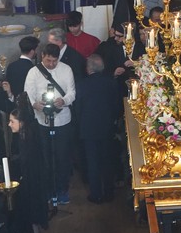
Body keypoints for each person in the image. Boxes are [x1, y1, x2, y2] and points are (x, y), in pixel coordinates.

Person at [24, 43, 76, 205]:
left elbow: (72, 92)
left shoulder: (66, 69)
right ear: (42, 56)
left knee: (62, 157)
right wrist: (35, 104)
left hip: (63, 120)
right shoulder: (33, 72)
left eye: (55, 61)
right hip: (42, 121)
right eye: (48, 61)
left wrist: (63, 100)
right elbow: (28, 94)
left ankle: (62, 189)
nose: (52, 64)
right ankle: (48, 190)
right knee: (45, 157)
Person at [7, 104, 49, 233]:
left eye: (12, 121)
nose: (9, 124)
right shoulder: (27, 137)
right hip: (32, 188)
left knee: (32, 221)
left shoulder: (28, 142)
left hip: (31, 190)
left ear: (21, 122)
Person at [77, 54, 121, 203]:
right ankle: (109, 192)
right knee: (107, 160)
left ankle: (95, 194)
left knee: (92, 162)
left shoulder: (82, 84)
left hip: (88, 129)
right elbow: (116, 105)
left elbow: (78, 108)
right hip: (107, 127)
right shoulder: (111, 82)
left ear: (88, 68)